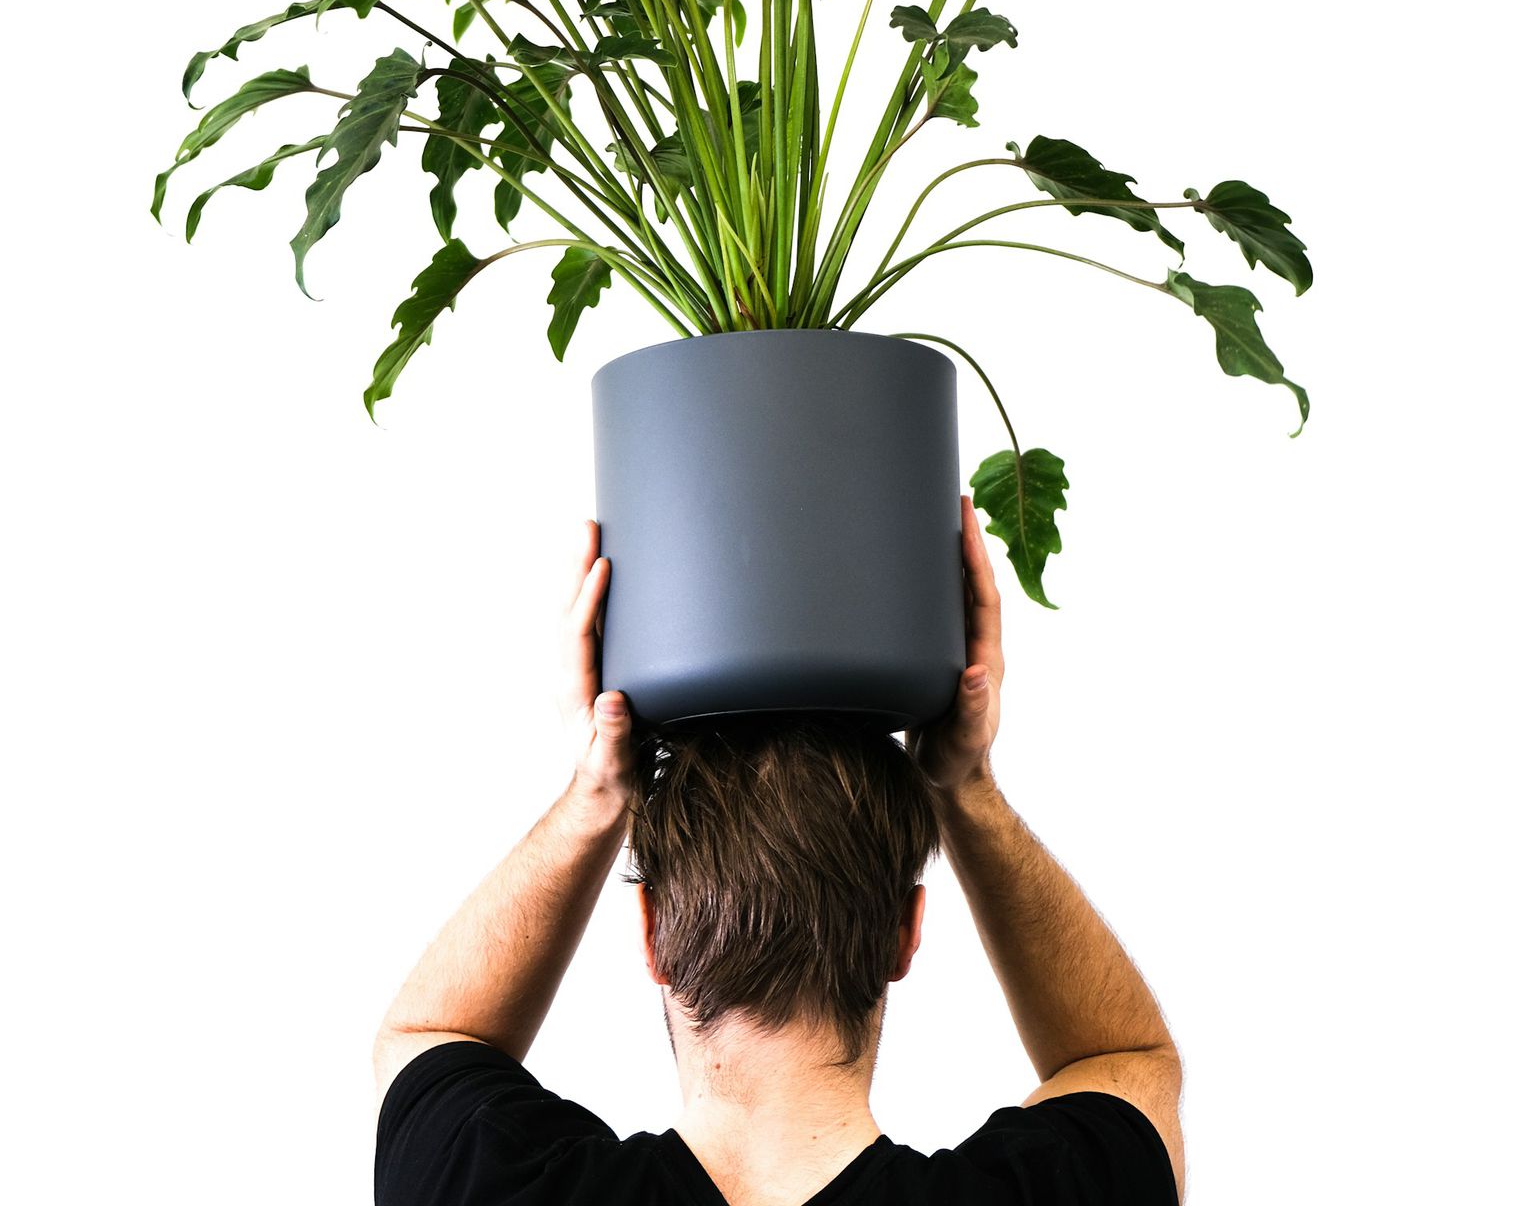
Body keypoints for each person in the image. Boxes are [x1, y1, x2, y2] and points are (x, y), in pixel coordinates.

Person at [374, 498, 1185, 1205]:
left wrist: (596, 796)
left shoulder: (485, 1184)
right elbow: (1128, 1061)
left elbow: (427, 1035)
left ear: (653, 933)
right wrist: (964, 788)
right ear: (906, 932)